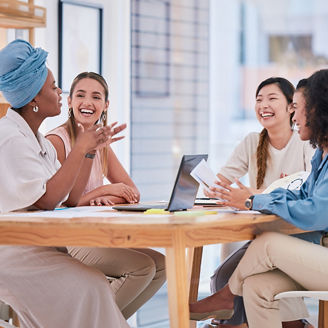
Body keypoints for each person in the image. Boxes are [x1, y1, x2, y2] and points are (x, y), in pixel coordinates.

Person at [0, 39, 129, 327]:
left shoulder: (36, 140)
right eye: (53, 87)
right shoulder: (9, 138)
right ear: (34, 97)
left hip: (42, 247)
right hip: (15, 253)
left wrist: (89, 148)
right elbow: (46, 200)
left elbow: (68, 197)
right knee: (93, 286)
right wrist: (81, 146)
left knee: (95, 285)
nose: (60, 92)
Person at [190, 71, 328, 328]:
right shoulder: (321, 154)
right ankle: (227, 298)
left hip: (321, 252)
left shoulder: (313, 151)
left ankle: (225, 297)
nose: (296, 116)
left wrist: (254, 201)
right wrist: (255, 198)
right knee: (255, 286)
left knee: (268, 244)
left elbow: (317, 213)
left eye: (297, 108)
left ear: (318, 110)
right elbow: (302, 194)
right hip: (315, 250)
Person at [46, 72, 166, 319]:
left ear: (105, 105)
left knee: (163, 265)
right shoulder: (56, 142)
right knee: (141, 268)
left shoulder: (101, 145)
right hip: (65, 239)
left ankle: (99, 323)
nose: (87, 102)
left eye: (96, 97)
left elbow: (131, 192)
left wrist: (108, 195)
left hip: (95, 234)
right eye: (80, 95)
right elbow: (59, 202)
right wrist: (103, 191)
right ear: (69, 102)